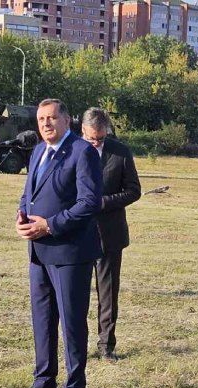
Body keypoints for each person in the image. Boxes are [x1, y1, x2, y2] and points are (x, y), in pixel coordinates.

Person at [16, 99, 103, 388]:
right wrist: (21, 217)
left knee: (72, 323)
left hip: (70, 253)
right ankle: (44, 382)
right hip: (38, 253)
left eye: (52, 118)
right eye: (41, 119)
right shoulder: (38, 151)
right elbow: (28, 194)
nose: (46, 123)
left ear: (67, 120)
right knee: (42, 320)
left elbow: (89, 203)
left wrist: (50, 225)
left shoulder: (82, 152)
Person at [81, 108, 141, 362]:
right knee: (76, 296)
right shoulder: (71, 150)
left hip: (109, 235)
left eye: (101, 138)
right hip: (78, 235)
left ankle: (106, 346)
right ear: (82, 130)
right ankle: (77, 346)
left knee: (107, 295)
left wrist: (104, 202)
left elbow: (134, 190)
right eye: (91, 138)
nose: (96, 143)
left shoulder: (120, 152)